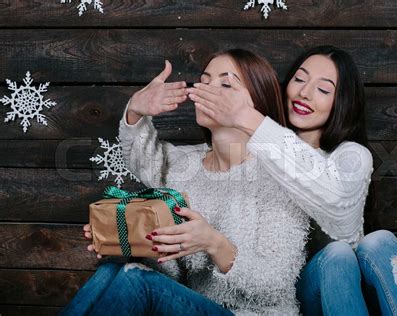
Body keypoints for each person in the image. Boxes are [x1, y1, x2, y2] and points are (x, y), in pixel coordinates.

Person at [60, 49, 311, 316]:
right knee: (113, 270)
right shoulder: (185, 166)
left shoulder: (283, 178)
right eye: (205, 81)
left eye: (226, 84)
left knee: (136, 279)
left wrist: (214, 243)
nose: (206, 91)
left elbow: (276, 284)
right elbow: (146, 160)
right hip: (190, 306)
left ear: (258, 105)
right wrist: (122, 234)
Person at [188, 45, 397, 315]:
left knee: (377, 242)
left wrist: (249, 118)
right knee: (335, 257)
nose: (304, 93)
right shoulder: (252, 153)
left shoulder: (351, 155)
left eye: (323, 90)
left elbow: (336, 205)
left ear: (342, 102)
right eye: (299, 80)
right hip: (293, 294)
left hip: (352, 287)